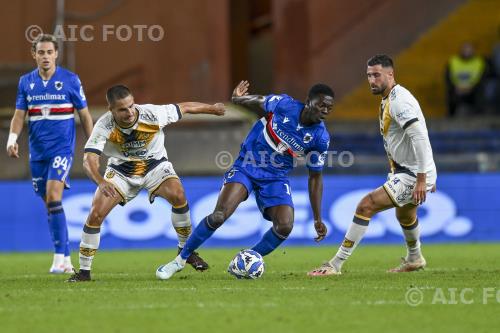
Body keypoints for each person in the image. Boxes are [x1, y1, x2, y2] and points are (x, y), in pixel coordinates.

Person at [156, 80, 333, 280]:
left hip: (275, 177)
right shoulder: (286, 104)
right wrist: (238, 99)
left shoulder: (320, 138)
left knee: (285, 225)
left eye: (329, 107)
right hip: (247, 167)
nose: (325, 110)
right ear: (309, 101)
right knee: (219, 216)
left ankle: (248, 258)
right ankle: (179, 260)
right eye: (322, 105)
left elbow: (315, 177)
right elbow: (259, 101)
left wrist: (317, 218)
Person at [68, 85, 225, 282]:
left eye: (131, 106)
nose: (130, 112)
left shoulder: (152, 114)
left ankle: (187, 251)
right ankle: (84, 272)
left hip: (154, 166)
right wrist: (100, 181)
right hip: (121, 171)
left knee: (178, 194)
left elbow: (184, 107)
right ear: (112, 110)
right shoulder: (104, 126)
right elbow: (89, 160)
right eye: (122, 109)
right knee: (96, 213)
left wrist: (213, 109)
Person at [308, 54, 437, 276]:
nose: (372, 80)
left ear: (390, 74)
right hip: (407, 170)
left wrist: (422, 179)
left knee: (365, 206)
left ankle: (335, 265)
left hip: (414, 173)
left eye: (376, 75)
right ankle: (415, 258)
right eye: (368, 75)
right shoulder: (389, 98)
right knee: (405, 216)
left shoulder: (400, 101)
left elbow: (420, 138)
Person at [6, 34, 94, 274]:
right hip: (37, 152)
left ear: (56, 54)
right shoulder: (26, 82)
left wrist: (93, 145)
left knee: (54, 197)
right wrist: (12, 139)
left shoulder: (70, 80)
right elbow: (19, 115)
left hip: (61, 149)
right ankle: (65, 258)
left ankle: (57, 258)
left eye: (49, 52)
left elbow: (84, 115)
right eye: (41, 52)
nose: (45, 56)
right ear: (34, 55)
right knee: (50, 205)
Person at [445, 42, 487, 116]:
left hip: (474, 88)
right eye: (465, 49)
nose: (467, 51)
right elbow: (447, 77)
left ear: (473, 51)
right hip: (457, 89)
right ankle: (451, 117)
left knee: (480, 91)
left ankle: (480, 117)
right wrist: (455, 87)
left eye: (469, 49)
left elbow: (483, 78)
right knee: (450, 93)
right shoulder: (453, 61)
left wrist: (471, 87)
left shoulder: (479, 61)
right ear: (461, 50)